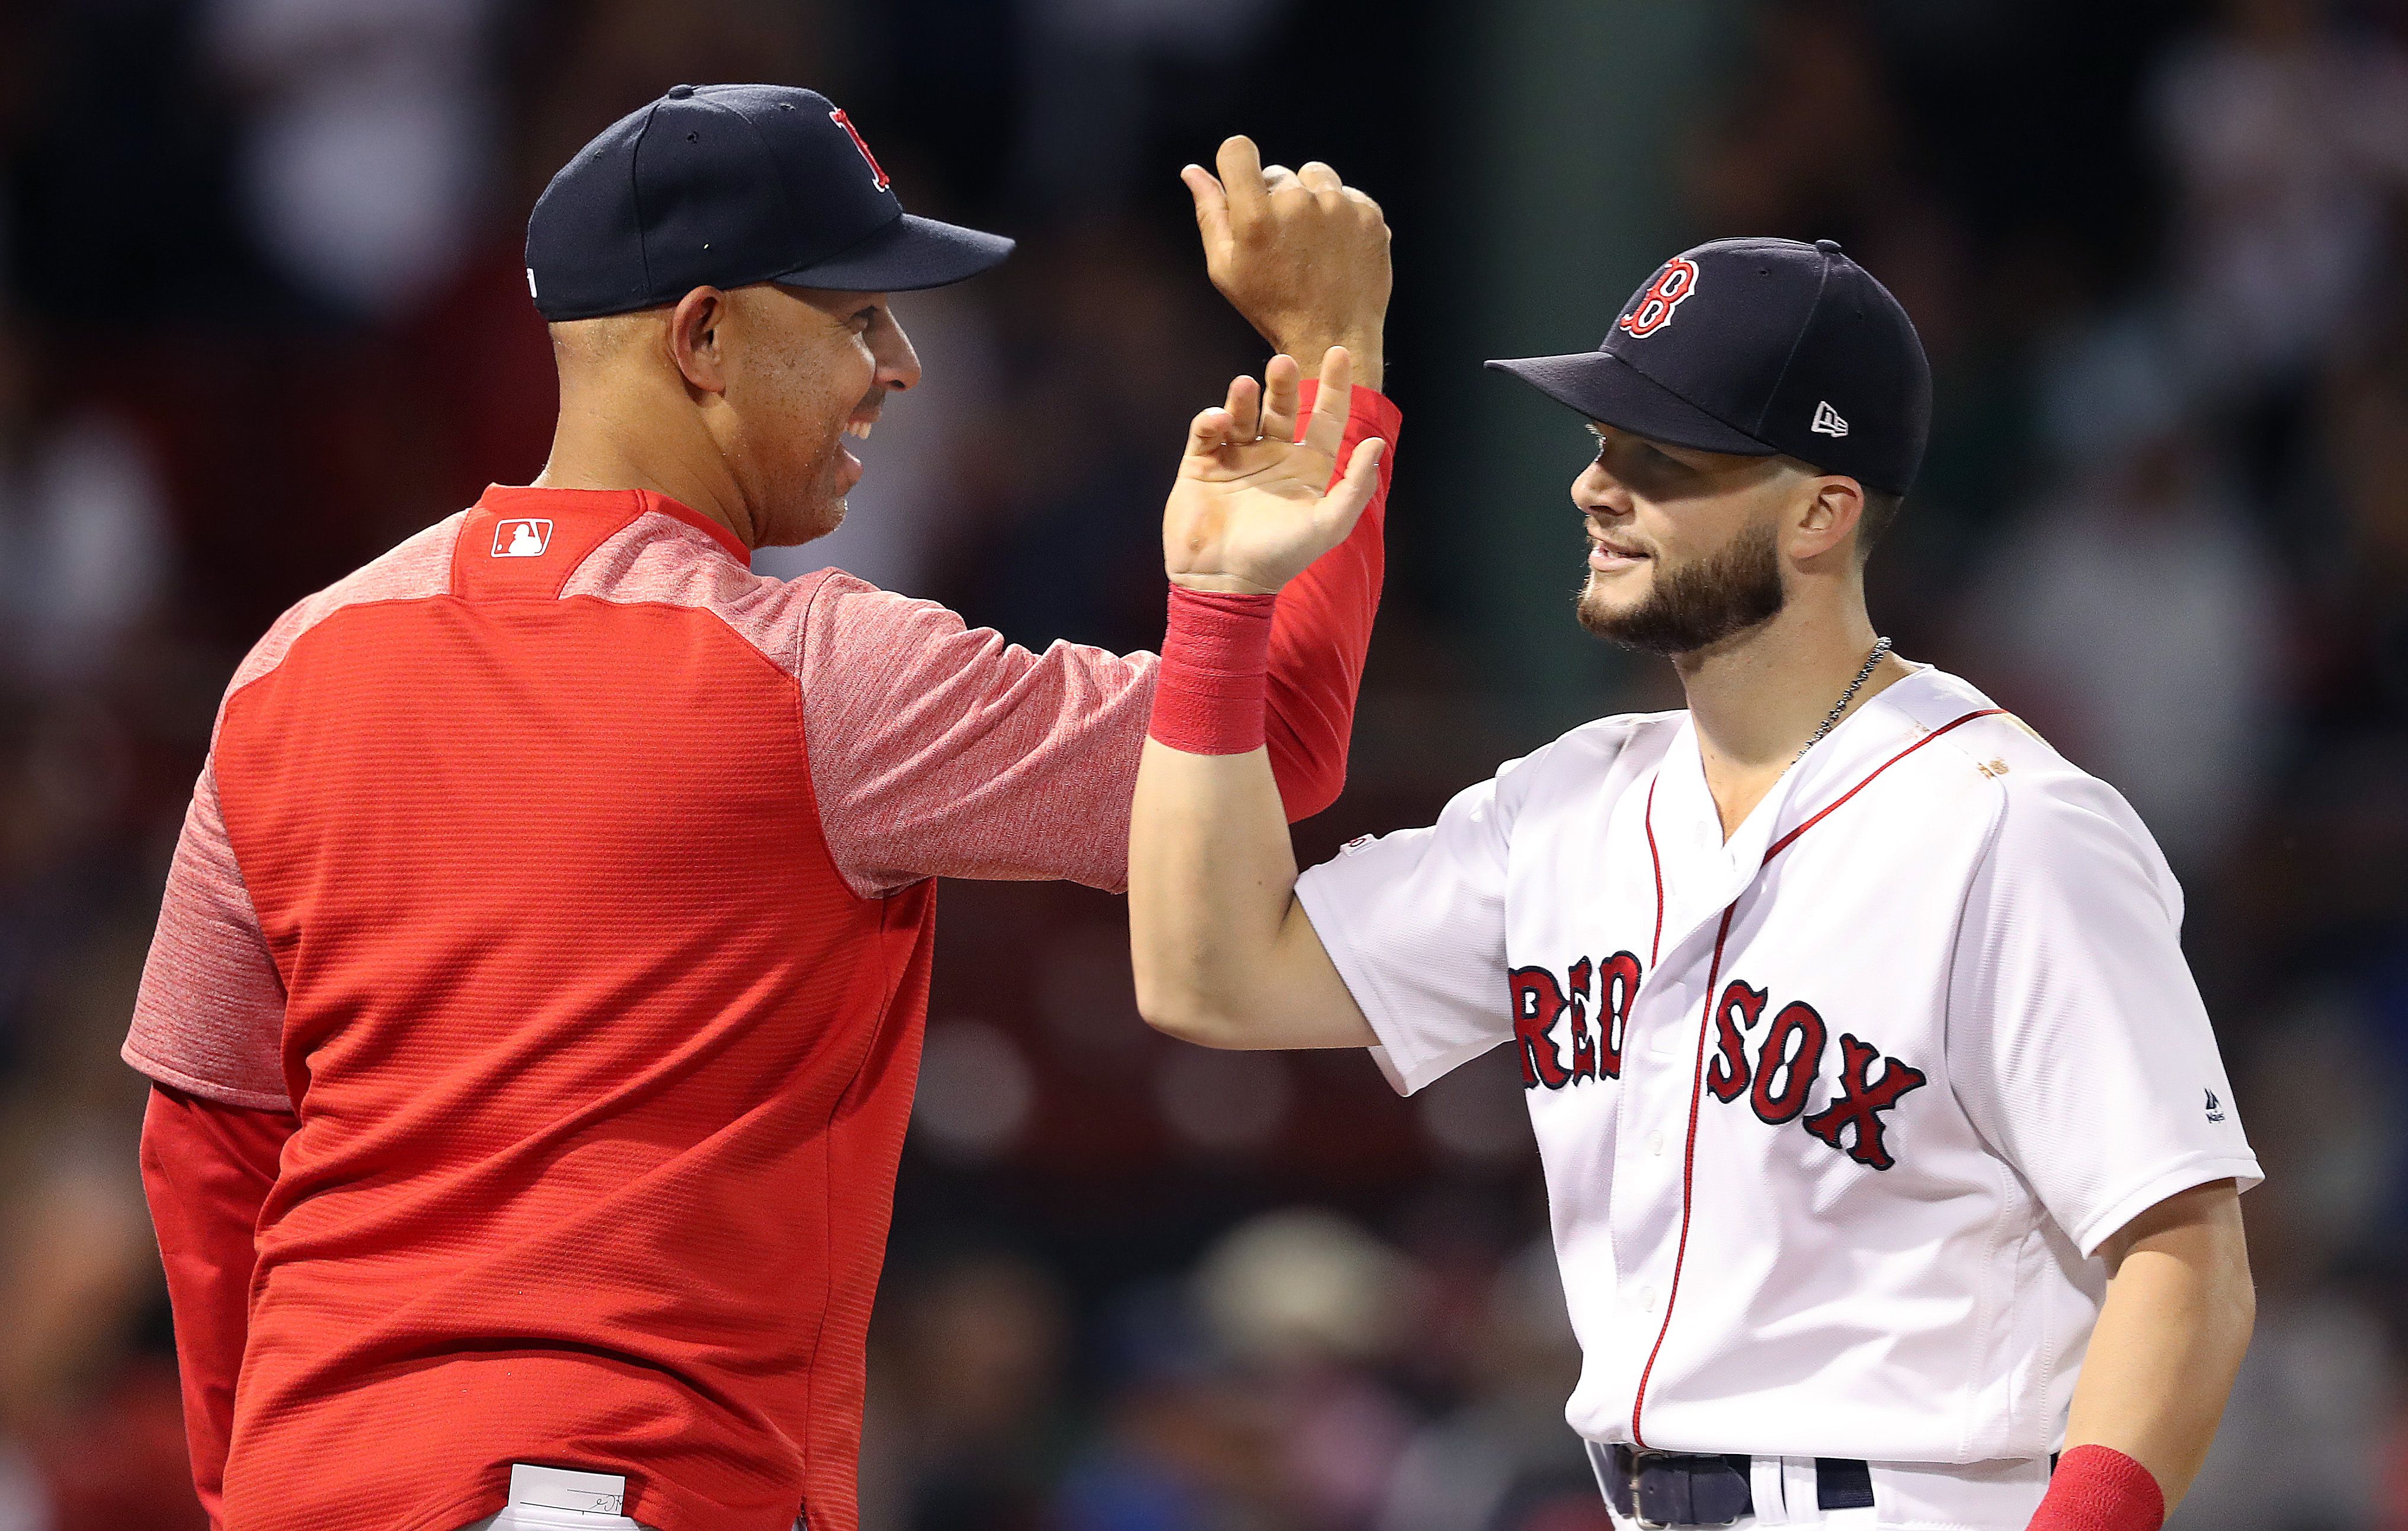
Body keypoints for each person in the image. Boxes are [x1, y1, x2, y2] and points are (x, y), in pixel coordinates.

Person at [123, 85, 1395, 1531]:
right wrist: (1329, 359)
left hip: (317, 1478)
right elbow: (1261, 749)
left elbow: (207, 1146)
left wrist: (256, 1485)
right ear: (703, 336)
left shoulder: (292, 662)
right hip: (601, 1483)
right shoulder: (821, 677)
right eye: (857, 317)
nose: (901, 367)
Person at [1126, 237, 2260, 1531]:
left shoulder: (2011, 824)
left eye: (1661, 458)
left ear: (1821, 510)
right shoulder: (1566, 802)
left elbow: (2186, 1260)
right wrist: (1218, 607)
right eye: (1605, 442)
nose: (1595, 488)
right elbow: (1211, 974)